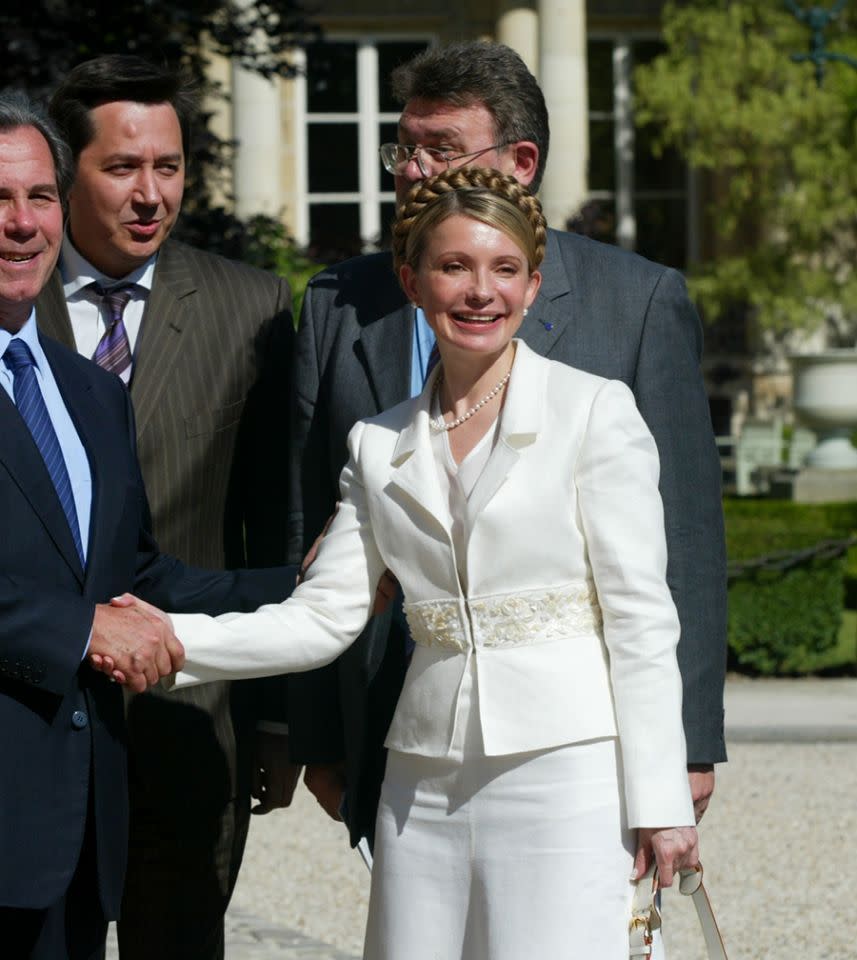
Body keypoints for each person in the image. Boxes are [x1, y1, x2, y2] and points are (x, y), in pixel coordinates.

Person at [109, 167, 699, 958]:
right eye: (454, 266)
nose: (479, 291)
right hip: (420, 780)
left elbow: (639, 616)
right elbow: (320, 618)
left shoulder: (594, 412)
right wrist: (167, 640)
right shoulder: (376, 442)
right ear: (410, 280)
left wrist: (662, 802)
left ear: (532, 285)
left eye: (503, 269)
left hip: (568, 771)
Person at [287, 41, 727, 847]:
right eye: (404, 147)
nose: (413, 170)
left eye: (441, 148)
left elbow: (685, 542)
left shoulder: (636, 303)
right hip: (392, 726)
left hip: (570, 738)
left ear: (520, 161)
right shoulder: (335, 303)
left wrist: (685, 746)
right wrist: (313, 730)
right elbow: (310, 518)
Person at [0, 93, 296, 960]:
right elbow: (90, 614)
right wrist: (79, 628)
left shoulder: (86, 394)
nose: (22, 224)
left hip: (79, 832)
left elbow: (138, 578)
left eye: (39, 197)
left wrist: (314, 583)